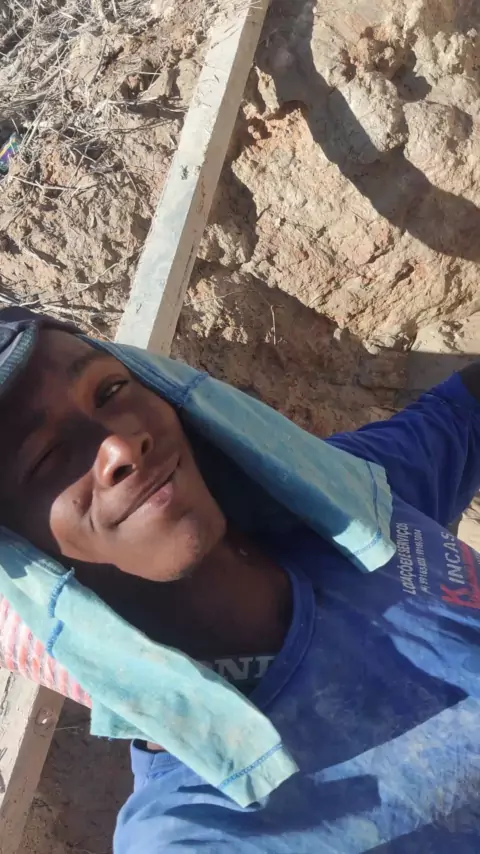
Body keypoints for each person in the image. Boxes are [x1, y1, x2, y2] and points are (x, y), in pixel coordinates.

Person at [0, 307, 480, 853]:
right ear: (21, 554)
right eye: (45, 458)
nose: (120, 445)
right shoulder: (197, 828)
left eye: (110, 390)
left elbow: (460, 417)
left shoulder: (338, 509)